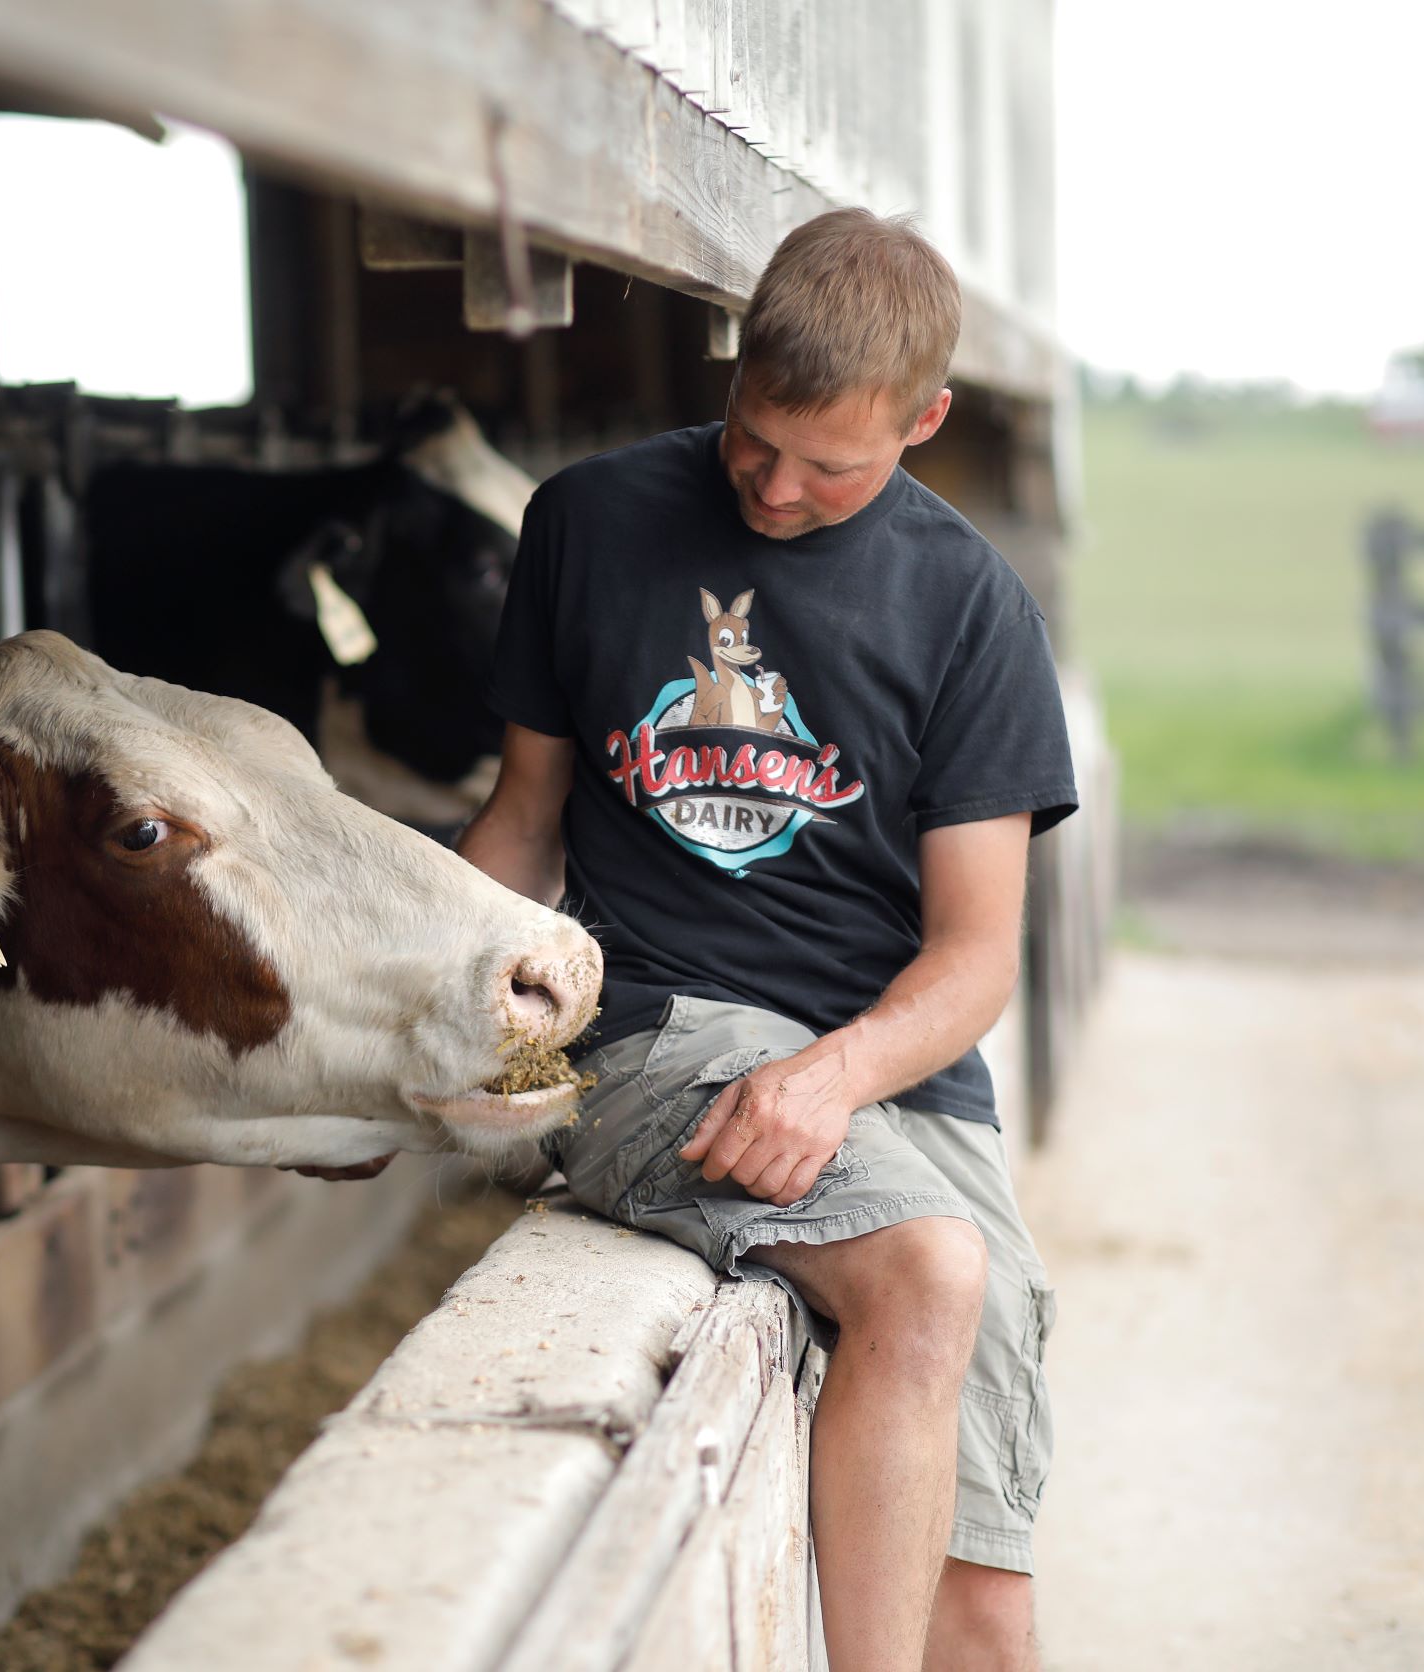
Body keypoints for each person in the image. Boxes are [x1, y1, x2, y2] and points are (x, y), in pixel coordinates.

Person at [459, 207, 1075, 1671]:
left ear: (925, 420)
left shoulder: (972, 606)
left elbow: (975, 956)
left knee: (985, 1603)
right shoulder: (588, 520)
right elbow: (524, 824)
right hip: (661, 1030)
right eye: (755, 439)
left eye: (832, 465)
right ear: (732, 366)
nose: (777, 490)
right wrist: (422, 1010)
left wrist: (833, 1080)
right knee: (925, 1274)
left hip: (888, 1076)